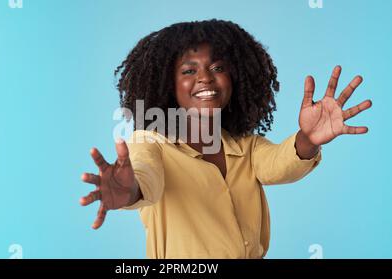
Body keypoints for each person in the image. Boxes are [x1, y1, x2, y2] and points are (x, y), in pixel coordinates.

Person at [79, 19, 372, 259]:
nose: (205, 77)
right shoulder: (150, 142)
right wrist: (128, 190)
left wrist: (308, 139)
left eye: (217, 68)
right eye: (189, 70)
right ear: (169, 85)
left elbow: (279, 164)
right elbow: (146, 179)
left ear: (235, 78)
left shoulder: (244, 145)